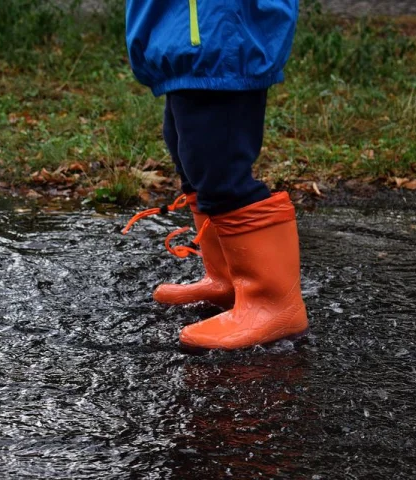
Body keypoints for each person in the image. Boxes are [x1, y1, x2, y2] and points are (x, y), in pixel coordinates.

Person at [124, 0, 308, 350]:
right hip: (184, 38)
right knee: (190, 155)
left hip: (218, 36)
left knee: (218, 167)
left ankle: (272, 304)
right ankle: (228, 278)